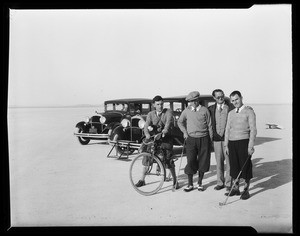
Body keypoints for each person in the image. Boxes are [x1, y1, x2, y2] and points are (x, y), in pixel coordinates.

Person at [135, 95, 180, 190]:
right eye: (158, 104)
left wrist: (164, 131)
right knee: (147, 157)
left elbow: (167, 124)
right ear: (154, 105)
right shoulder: (150, 114)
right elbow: (146, 125)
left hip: (165, 138)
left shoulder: (168, 112)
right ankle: (142, 180)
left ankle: (175, 181)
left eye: (162, 104)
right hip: (154, 138)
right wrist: (147, 134)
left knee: (168, 159)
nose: (160, 106)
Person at [224, 90, 257, 200]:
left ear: (241, 98)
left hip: (244, 142)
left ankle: (246, 190)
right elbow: (227, 130)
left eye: (236, 99)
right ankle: (235, 188)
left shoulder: (249, 112)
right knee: (234, 166)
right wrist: (226, 145)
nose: (235, 102)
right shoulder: (231, 113)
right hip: (232, 143)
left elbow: (253, 130)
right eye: (232, 100)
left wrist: (250, 146)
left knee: (245, 166)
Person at [177, 91, 213, 192]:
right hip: (191, 139)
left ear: (197, 100)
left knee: (203, 161)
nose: (193, 103)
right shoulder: (186, 111)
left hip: (204, 138)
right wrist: (184, 132)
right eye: (191, 101)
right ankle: (190, 184)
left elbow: (209, 125)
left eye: (194, 101)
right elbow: (180, 122)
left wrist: (210, 140)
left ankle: (200, 183)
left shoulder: (205, 110)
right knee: (191, 161)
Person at [208, 89, 234, 191]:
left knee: (229, 162)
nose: (220, 98)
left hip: (228, 139)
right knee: (219, 162)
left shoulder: (230, 108)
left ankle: (228, 183)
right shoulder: (210, 109)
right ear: (214, 98)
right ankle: (220, 182)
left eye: (222, 96)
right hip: (216, 140)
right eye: (218, 97)